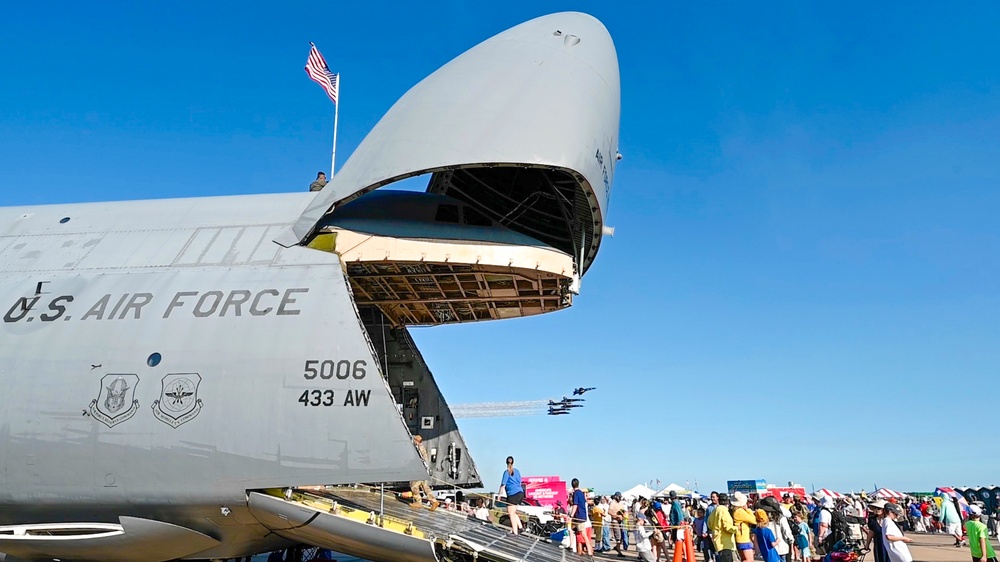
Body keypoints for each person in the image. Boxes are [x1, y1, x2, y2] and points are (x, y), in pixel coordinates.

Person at [408, 435, 439, 510]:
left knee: (413, 485)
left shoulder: (418, 448)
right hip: (425, 470)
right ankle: (434, 501)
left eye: (415, 440)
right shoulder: (422, 448)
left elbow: (419, 459)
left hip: (419, 470)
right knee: (425, 487)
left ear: (417, 441)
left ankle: (418, 502)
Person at [498, 456, 524, 535]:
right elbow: (519, 482)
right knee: (513, 511)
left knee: (511, 513)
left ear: (506, 463)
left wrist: (499, 495)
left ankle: (515, 532)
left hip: (513, 494)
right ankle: (520, 527)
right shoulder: (517, 471)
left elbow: (503, 485)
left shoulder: (506, 472)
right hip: (520, 493)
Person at [709, 493, 738, 562]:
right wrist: (737, 528)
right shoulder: (724, 510)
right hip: (725, 543)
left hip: (717, 540)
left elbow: (709, 523)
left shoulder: (715, 510)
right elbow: (727, 527)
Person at [569, 478, 594, 556]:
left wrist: (571, 515)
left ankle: (589, 551)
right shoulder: (581, 493)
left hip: (579, 517)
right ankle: (572, 546)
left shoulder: (576, 493)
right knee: (574, 531)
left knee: (583, 534)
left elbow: (575, 505)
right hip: (582, 516)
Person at [731, 492, 756, 562]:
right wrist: (748, 510)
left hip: (740, 538)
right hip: (743, 538)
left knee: (744, 558)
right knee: (749, 559)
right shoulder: (740, 511)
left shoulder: (735, 511)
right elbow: (753, 520)